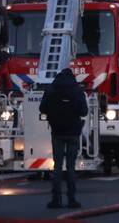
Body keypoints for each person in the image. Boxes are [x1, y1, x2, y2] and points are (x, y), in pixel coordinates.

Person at [39, 68, 87, 209]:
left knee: (57, 166)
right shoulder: (77, 91)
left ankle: (56, 199)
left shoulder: (50, 89)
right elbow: (84, 111)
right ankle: (72, 199)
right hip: (73, 132)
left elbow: (42, 108)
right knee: (71, 167)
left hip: (57, 132)